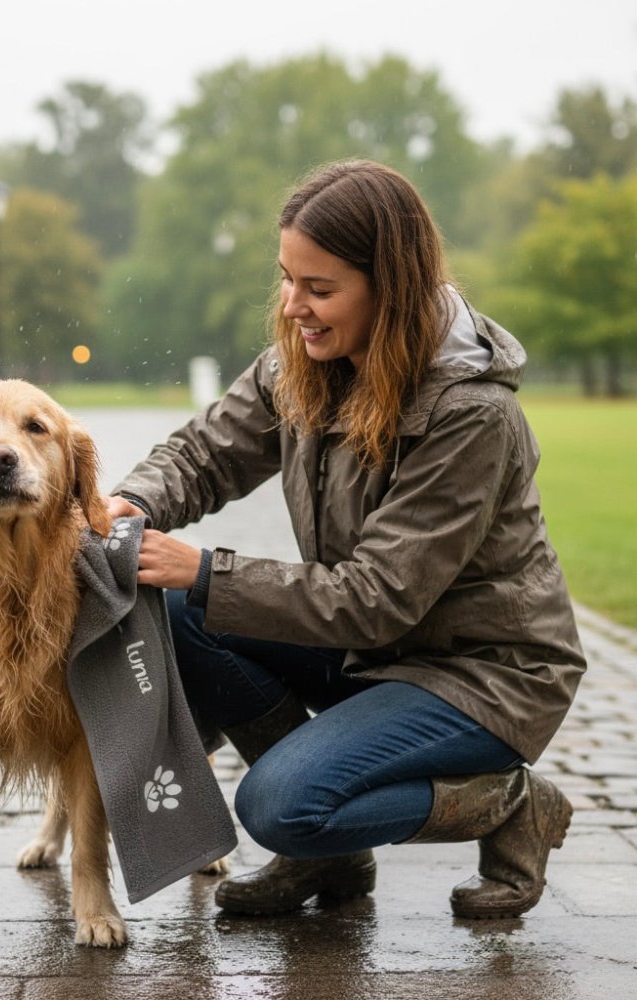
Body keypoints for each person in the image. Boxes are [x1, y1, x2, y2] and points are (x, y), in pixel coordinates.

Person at [105, 159, 586, 920]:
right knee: (180, 613)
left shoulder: (472, 416)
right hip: (379, 650)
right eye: (288, 280)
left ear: (389, 287)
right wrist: (130, 503)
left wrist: (203, 569)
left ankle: (506, 803)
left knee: (279, 805)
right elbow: (205, 454)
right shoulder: (303, 364)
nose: (294, 306)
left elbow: (377, 598)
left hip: (484, 673)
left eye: (320, 288)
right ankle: (330, 861)